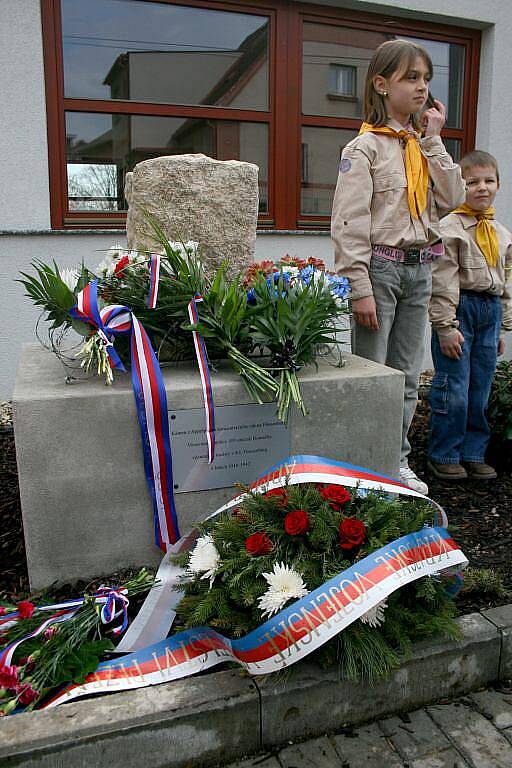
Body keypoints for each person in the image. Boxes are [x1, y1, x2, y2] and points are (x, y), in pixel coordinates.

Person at [331, 39, 465, 495]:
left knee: (408, 375)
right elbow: (349, 223)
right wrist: (358, 286)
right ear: (382, 83)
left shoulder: (423, 147)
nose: (422, 88)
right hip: (381, 272)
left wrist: (434, 141)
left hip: (420, 270)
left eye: (427, 79)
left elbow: (454, 201)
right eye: (411, 78)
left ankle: (395, 461)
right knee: (373, 375)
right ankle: (363, 465)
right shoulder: (365, 148)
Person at [428, 150, 512, 480]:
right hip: (460, 309)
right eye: (472, 182)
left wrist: (502, 327)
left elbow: (505, 278)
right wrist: (445, 327)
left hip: (488, 312)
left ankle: (474, 452)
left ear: (499, 185)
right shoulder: (450, 228)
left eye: (488, 181)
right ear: (460, 186)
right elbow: (443, 279)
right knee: (454, 388)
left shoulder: (501, 233)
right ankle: (443, 453)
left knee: (480, 389)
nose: (481, 188)